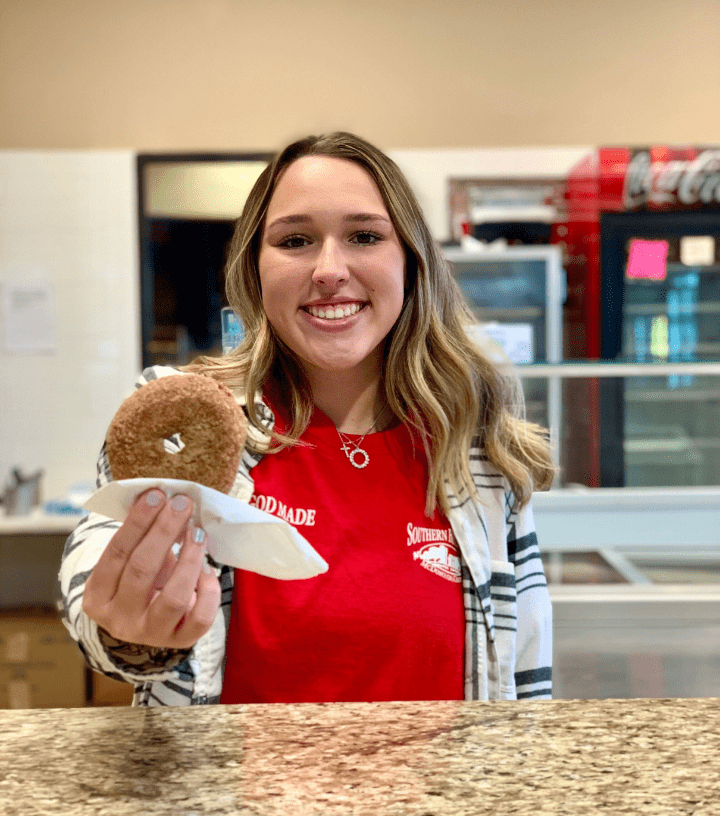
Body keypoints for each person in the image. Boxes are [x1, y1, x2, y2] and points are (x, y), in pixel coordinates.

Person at [60, 132, 555, 706]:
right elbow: (93, 576)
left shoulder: (476, 446)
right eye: (295, 240)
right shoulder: (192, 421)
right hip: (238, 797)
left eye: (364, 236)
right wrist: (129, 638)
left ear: (411, 264)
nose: (328, 269)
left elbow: (525, 672)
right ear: (257, 270)